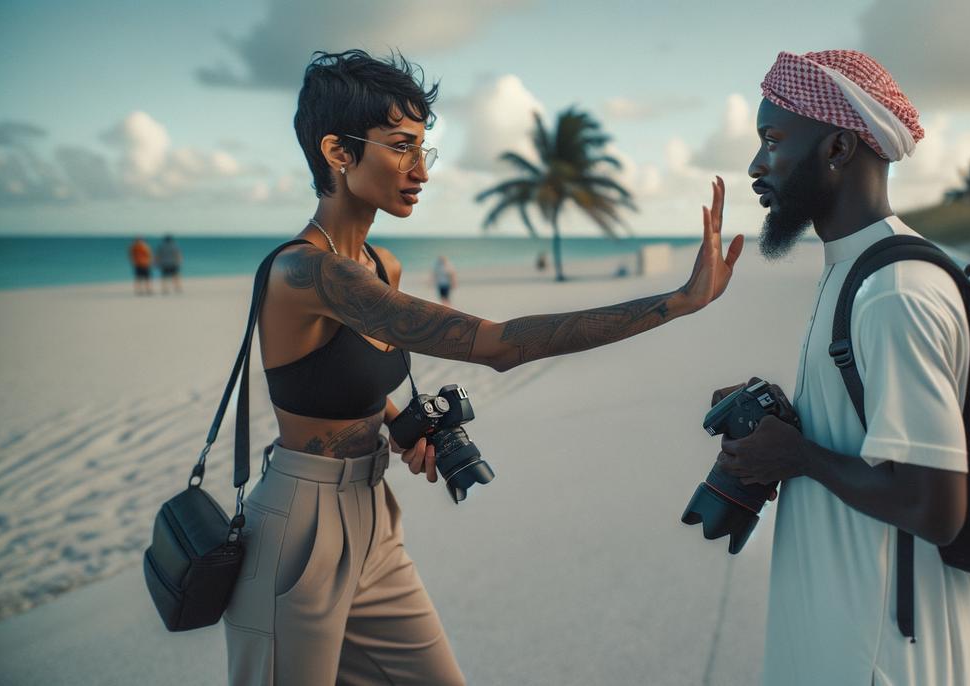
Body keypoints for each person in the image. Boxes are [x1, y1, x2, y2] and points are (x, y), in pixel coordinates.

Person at [222, 49, 744, 686]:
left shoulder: (382, 266)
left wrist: (400, 426)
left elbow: (341, 381)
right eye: (400, 147)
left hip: (373, 515)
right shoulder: (304, 272)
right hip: (298, 528)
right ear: (338, 152)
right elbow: (496, 344)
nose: (420, 170)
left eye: (424, 149)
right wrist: (677, 303)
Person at [711, 50, 970, 685]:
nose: (757, 165)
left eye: (773, 140)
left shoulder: (895, 290)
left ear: (838, 148)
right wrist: (794, 425)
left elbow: (935, 504)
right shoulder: (853, 268)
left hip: (886, 655)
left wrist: (798, 456)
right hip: (848, 635)